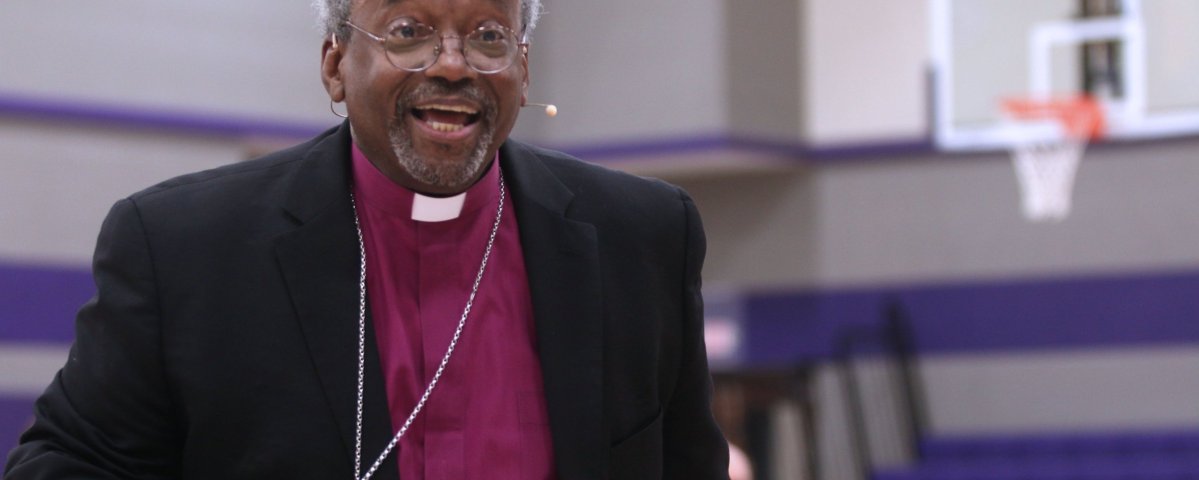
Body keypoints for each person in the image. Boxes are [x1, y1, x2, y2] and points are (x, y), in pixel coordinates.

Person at [3, 0, 729, 478]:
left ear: (523, 68)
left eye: (488, 36)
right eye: (409, 31)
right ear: (334, 66)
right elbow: (68, 465)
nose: (452, 64)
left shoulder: (641, 236)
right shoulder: (184, 246)